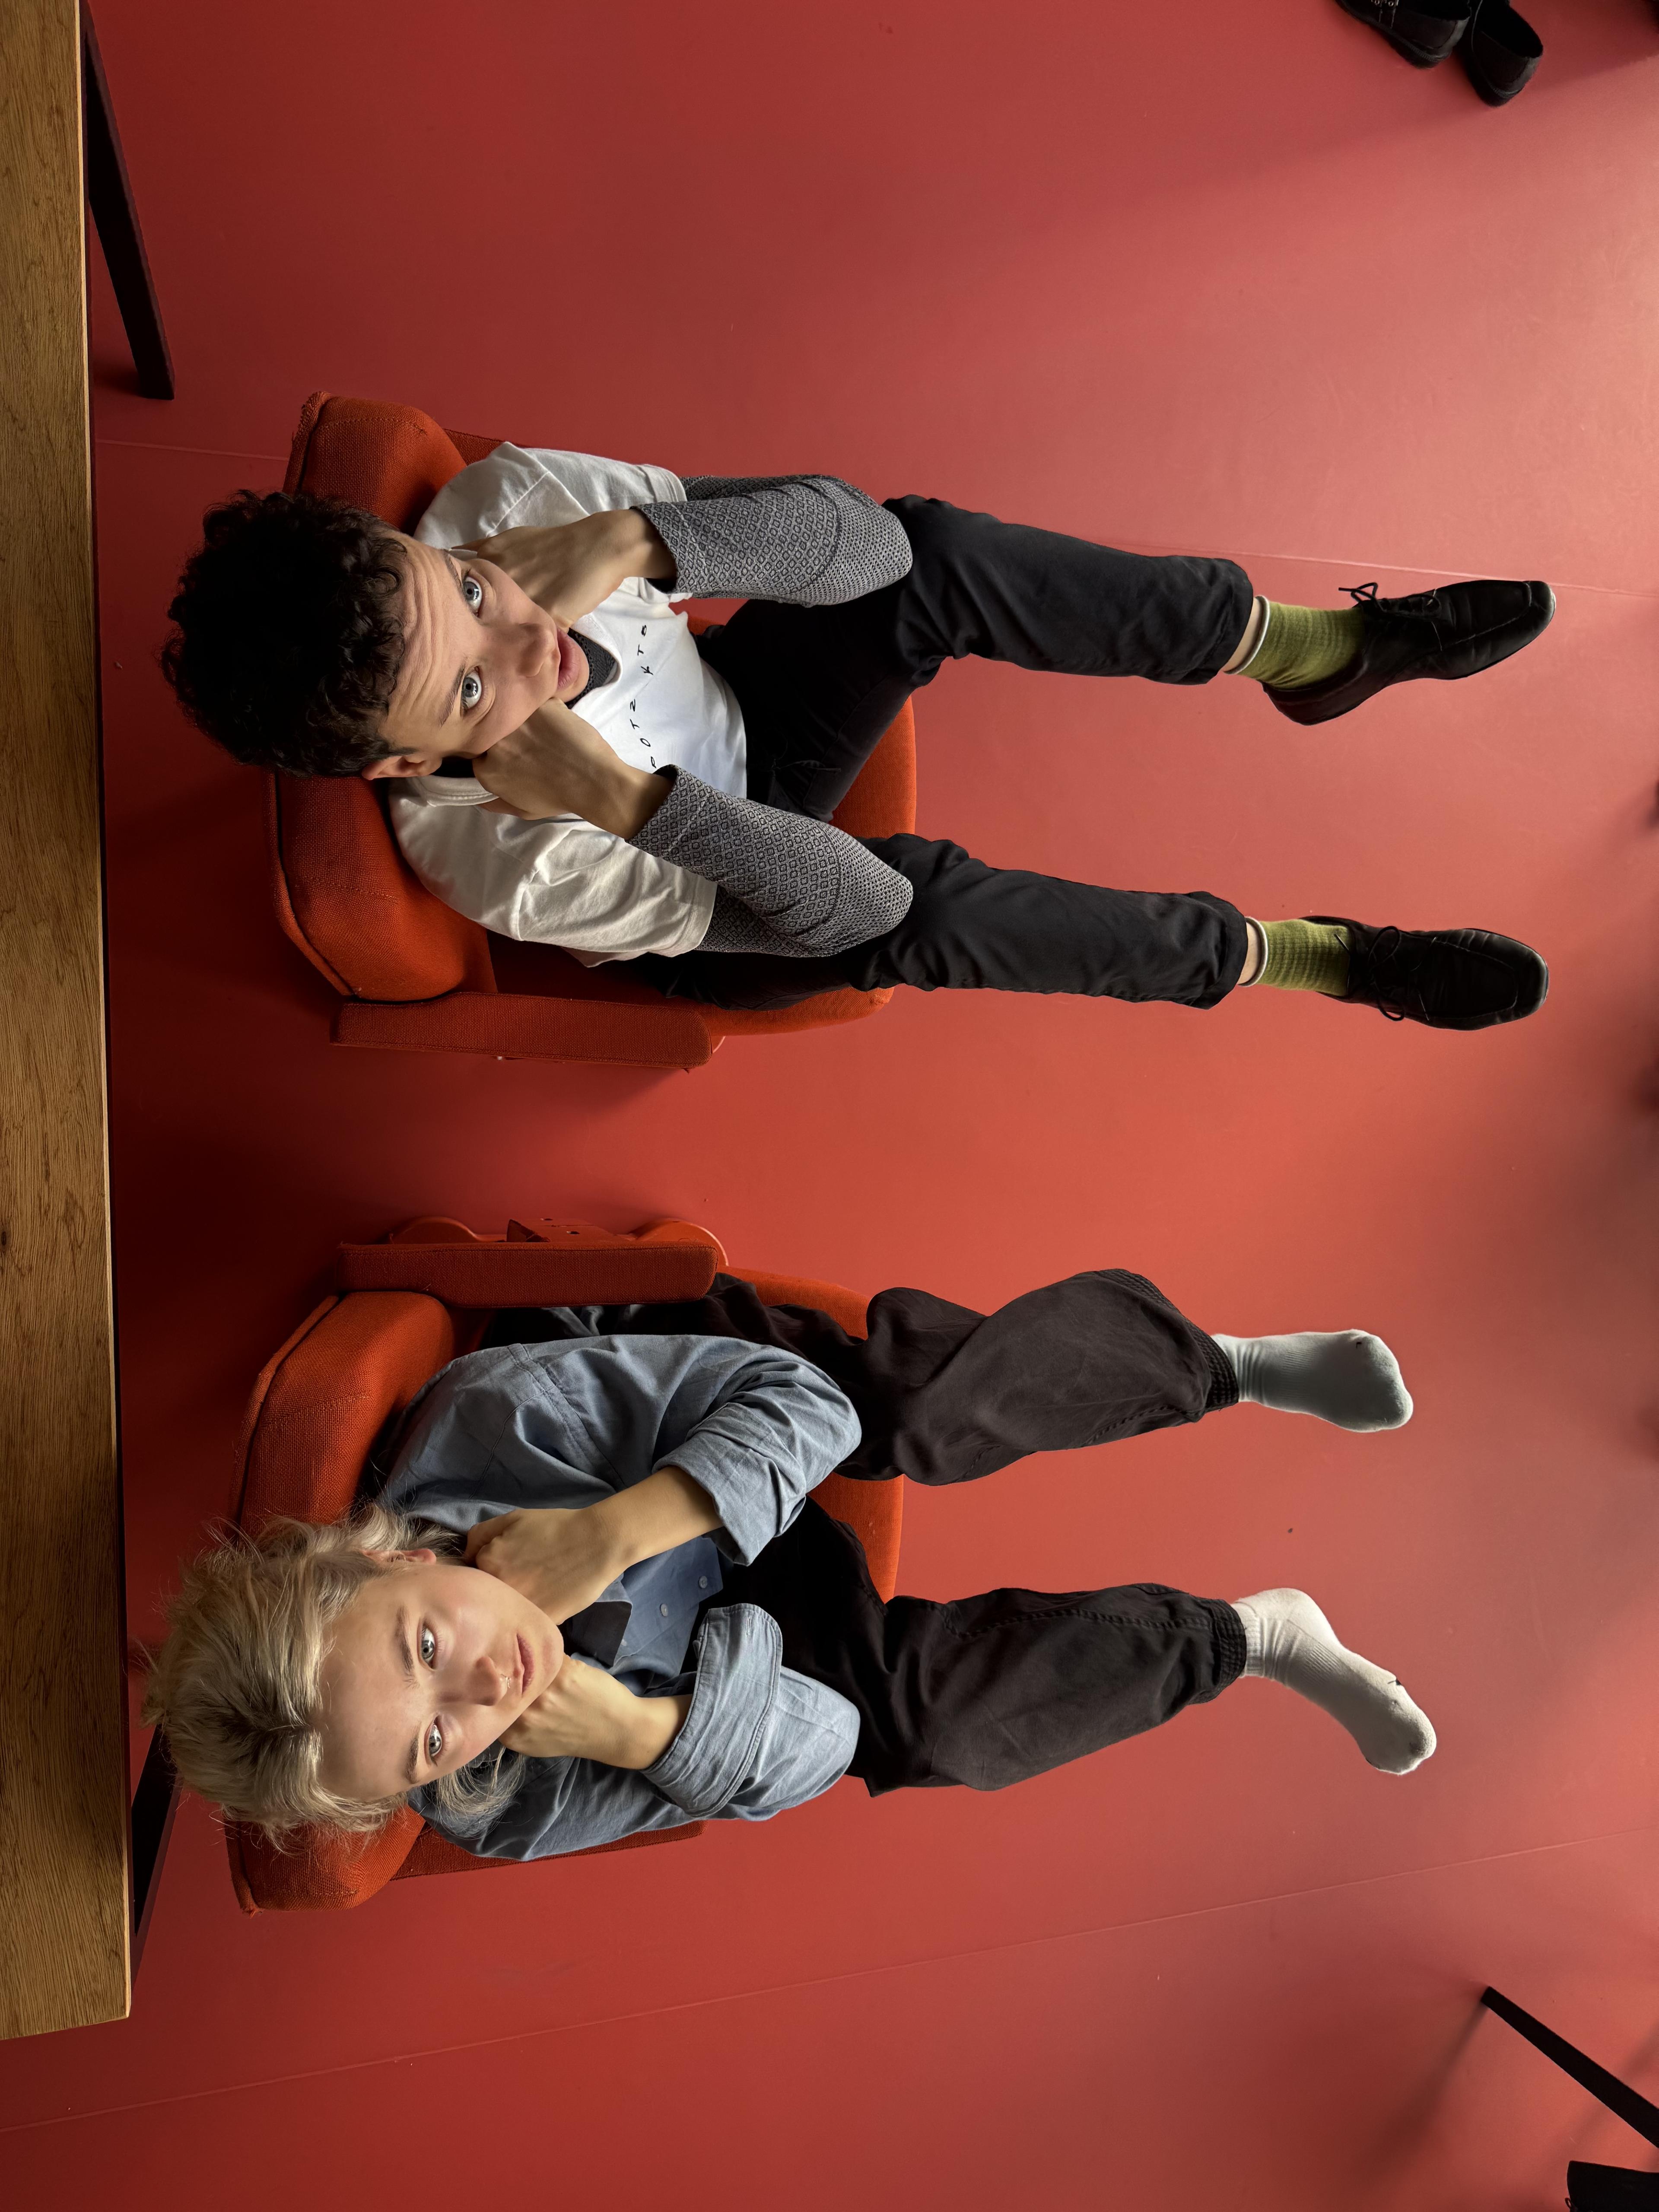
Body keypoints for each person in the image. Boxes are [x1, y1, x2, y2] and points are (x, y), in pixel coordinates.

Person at [160, 445, 1554, 1030]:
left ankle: (1314, 651)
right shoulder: (502, 861)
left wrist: (643, 535)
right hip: (738, 909)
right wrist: (622, 798)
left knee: (926, 553)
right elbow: (848, 900)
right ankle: (1314, 961)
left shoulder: (511, 505)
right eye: (472, 694)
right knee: (923, 912)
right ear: (410, 765)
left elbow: (863, 539)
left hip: (748, 712)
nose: (528, 645)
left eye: (467, 596)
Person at [144, 1267, 1435, 1859]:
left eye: (426, 1648)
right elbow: (812, 1752)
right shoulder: (511, 1801)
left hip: (710, 1412)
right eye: (435, 1746)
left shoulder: (492, 1424)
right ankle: (1256, 1637)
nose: (481, 1693)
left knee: (902, 1410)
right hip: (729, 1657)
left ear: (376, 1558)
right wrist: (640, 1737)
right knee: (923, 1735)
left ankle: (1228, 1366)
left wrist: (618, 1527)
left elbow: (799, 1407)